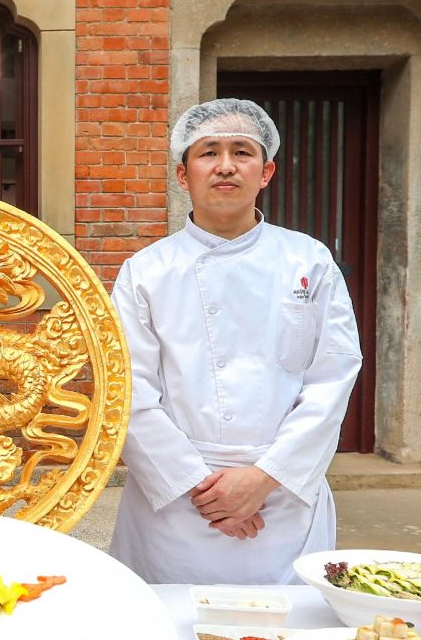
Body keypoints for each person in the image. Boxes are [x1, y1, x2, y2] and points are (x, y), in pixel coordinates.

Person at [108, 98, 362, 585]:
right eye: (208, 152)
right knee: (171, 624)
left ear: (266, 172)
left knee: (287, 624)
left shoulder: (309, 262)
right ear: (183, 176)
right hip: (176, 503)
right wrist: (198, 488)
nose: (225, 166)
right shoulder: (146, 271)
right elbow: (127, 389)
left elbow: (333, 376)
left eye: (241, 152)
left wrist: (264, 478)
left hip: (281, 497)